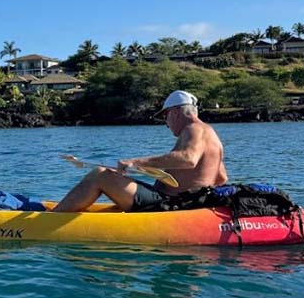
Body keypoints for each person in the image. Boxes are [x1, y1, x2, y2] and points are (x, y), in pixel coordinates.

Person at [53, 90, 227, 212]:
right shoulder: (212, 136)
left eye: (165, 116)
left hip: (170, 204)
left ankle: (50, 219)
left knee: (100, 174)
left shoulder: (193, 128)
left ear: (175, 112)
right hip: (191, 204)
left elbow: (188, 159)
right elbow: (221, 178)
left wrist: (135, 162)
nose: (166, 123)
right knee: (113, 174)